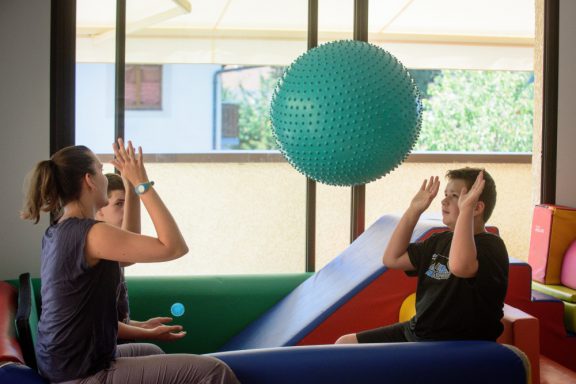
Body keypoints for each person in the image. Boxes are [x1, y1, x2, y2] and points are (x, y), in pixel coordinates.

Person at [21, 139, 239, 384]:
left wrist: (129, 184)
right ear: (89, 180)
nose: (105, 177)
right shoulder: (92, 234)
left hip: (64, 364)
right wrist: (142, 183)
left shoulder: (60, 231)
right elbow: (174, 247)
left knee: (152, 351)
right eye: (101, 170)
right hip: (80, 374)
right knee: (213, 371)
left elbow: (127, 252)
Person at [335, 167, 509, 344]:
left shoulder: (492, 246)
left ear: (477, 207)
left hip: (453, 345)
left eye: (454, 196)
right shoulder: (439, 240)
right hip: (418, 333)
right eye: (445, 194)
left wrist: (465, 211)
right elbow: (392, 259)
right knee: (344, 343)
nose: (444, 200)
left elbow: (459, 266)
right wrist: (414, 210)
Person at [96, 173, 186, 343]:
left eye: (128, 203)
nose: (127, 210)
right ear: (99, 209)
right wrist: (147, 333)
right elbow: (174, 248)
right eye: (119, 204)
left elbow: (108, 319)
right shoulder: (100, 247)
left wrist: (141, 325)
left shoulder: (112, 250)